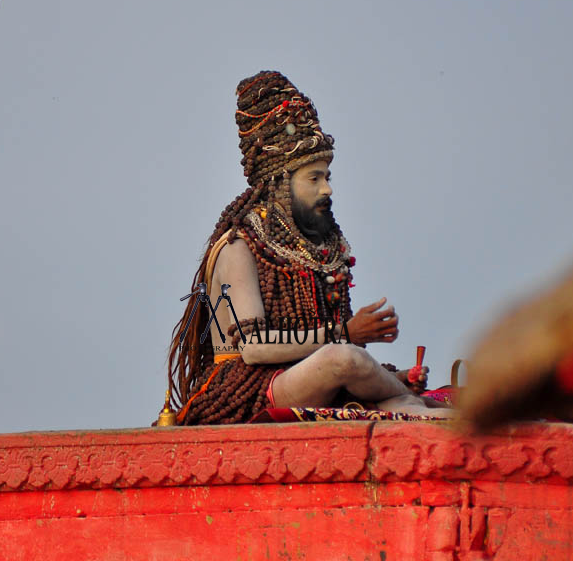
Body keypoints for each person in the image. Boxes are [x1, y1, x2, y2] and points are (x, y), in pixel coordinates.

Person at [167, 71, 441, 425]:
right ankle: (399, 391)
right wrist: (346, 334)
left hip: (310, 379)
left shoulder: (321, 249)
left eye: (328, 176)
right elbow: (253, 348)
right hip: (251, 389)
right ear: (280, 182)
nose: (327, 189)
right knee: (345, 361)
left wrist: (388, 373)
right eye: (314, 178)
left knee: (405, 410)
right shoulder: (240, 246)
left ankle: (411, 398)